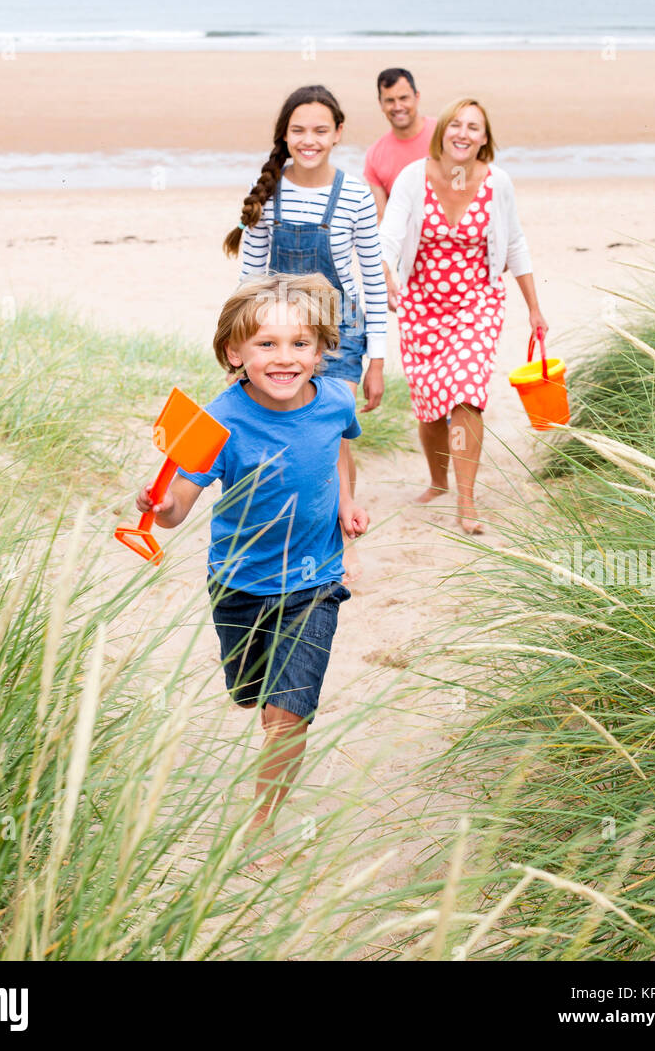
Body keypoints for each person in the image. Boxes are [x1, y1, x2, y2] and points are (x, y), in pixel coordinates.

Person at [135, 273, 368, 849]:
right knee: (252, 694)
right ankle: (264, 702)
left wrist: (346, 501)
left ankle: (260, 824)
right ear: (235, 353)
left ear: (320, 351)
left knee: (289, 715)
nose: (284, 358)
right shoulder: (216, 422)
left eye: (299, 344)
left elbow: (340, 448)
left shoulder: (336, 398)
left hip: (315, 581)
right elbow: (176, 509)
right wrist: (160, 507)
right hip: (239, 581)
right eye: (266, 344)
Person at [223, 84, 386, 578]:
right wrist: (239, 344)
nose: (309, 139)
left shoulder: (355, 194)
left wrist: (377, 359)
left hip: (341, 330)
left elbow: (373, 280)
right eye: (298, 130)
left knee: (332, 436)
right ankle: (281, 534)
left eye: (320, 130)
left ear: (338, 133)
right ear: (285, 135)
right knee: (282, 434)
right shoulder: (266, 194)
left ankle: (342, 537)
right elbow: (248, 280)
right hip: (277, 331)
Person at [379, 97, 548, 533]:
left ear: (484, 138)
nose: (463, 133)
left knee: (466, 392)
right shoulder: (413, 178)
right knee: (431, 406)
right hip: (422, 307)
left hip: (477, 303)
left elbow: (515, 245)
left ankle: (466, 501)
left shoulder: (498, 183)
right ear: (443, 131)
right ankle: (438, 481)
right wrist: (387, 275)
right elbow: (390, 235)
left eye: (474, 127)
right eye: (456, 124)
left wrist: (533, 307)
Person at [364, 68, 437, 221]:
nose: (397, 107)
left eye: (404, 98)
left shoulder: (444, 134)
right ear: (381, 104)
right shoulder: (374, 156)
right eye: (390, 100)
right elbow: (381, 217)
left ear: (417, 97)